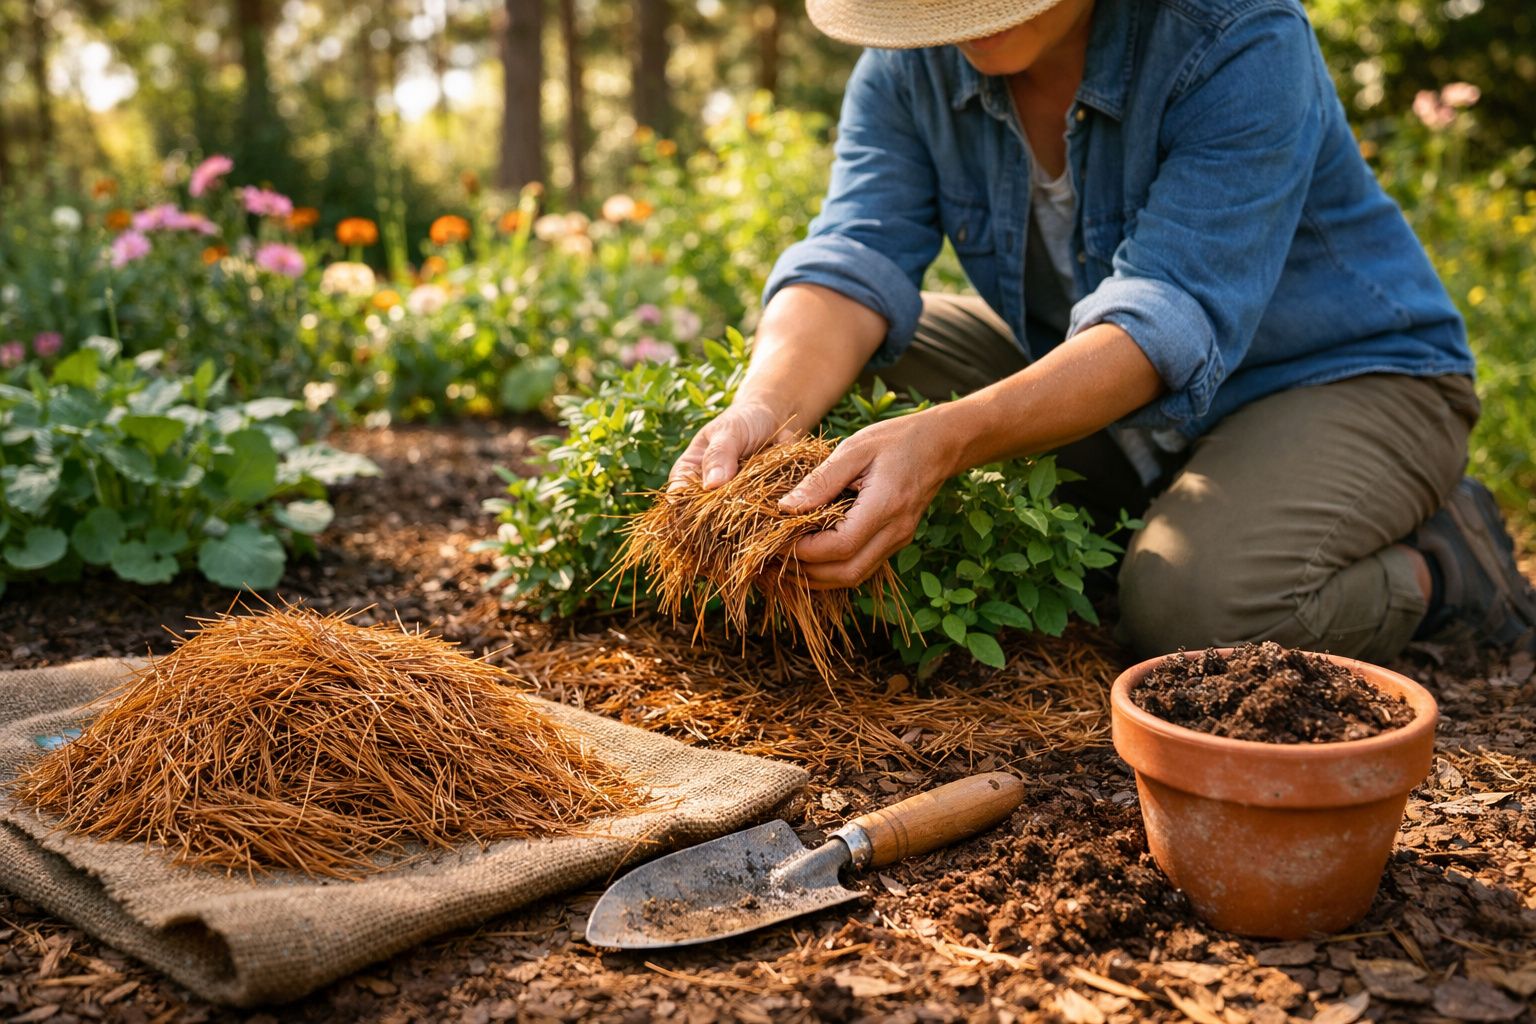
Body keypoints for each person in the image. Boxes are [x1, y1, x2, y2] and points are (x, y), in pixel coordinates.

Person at [667, 0, 1536, 660]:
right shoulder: (910, 66)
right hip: (1116, 394)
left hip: (1343, 379)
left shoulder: (1235, 33)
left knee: (1193, 613)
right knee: (848, 382)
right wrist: (765, 409)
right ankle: (1160, 516)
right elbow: (852, 256)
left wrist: (949, 438)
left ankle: (1447, 565)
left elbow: (1167, 312)